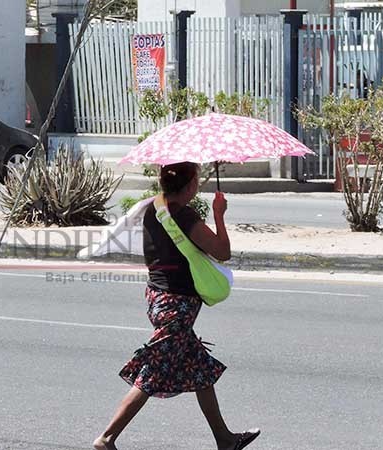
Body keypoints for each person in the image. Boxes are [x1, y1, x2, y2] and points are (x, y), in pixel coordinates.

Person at [93, 162, 260, 450]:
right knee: (152, 372)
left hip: (158, 298)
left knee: (199, 370)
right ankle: (106, 438)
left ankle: (225, 439)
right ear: (192, 183)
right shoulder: (182, 214)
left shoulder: (153, 208)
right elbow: (223, 252)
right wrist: (219, 215)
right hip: (176, 307)